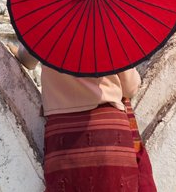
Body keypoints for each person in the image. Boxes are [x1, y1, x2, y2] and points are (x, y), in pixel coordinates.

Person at [11, 45, 156, 192]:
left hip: (64, 135)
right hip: (109, 132)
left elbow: (27, 60)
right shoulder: (107, 30)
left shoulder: (47, 27)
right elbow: (130, 88)